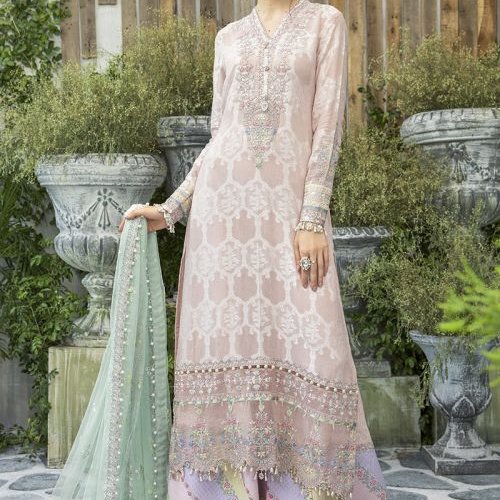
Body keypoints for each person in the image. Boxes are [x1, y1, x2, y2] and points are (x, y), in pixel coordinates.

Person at [123, 1, 388, 499]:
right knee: (229, 350)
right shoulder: (227, 38)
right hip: (221, 227)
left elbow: (327, 128)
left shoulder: (324, 22)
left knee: (316, 348)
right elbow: (217, 140)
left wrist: (311, 219)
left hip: (291, 219)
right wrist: (172, 208)